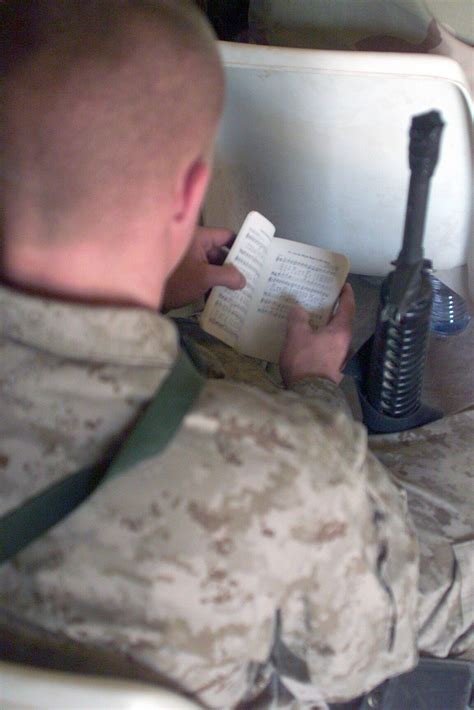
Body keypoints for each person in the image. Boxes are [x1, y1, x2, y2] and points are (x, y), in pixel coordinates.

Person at [0, 1, 471, 708]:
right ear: (191, 193)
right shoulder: (285, 469)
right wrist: (313, 388)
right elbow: (363, 655)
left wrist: (156, 278)